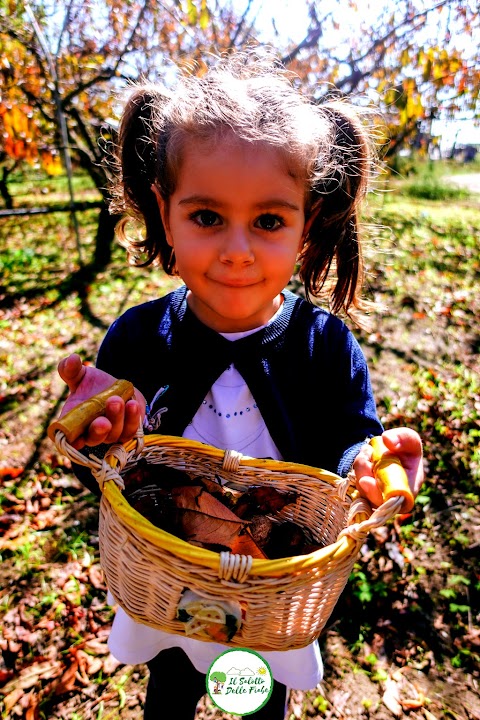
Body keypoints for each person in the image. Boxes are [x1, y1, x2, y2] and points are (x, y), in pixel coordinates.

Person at [56, 51, 424, 720]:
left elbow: (348, 442)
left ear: (305, 225)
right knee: (170, 687)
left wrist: (369, 467)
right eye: (205, 217)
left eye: (269, 221)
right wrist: (99, 434)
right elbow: (112, 470)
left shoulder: (326, 347)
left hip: (267, 593)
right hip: (169, 579)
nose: (237, 250)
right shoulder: (137, 340)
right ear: (164, 212)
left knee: (251, 694)